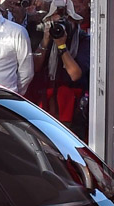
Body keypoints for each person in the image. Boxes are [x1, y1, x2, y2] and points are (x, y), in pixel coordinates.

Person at [34, 0, 90, 140]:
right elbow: (34, 67)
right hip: (48, 106)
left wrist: (61, 46)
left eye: (67, 20)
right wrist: (46, 41)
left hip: (73, 108)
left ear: (75, 21)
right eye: (57, 20)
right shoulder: (45, 38)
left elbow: (75, 74)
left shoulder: (84, 40)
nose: (62, 25)